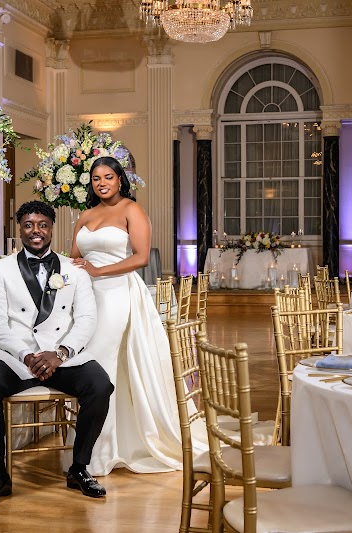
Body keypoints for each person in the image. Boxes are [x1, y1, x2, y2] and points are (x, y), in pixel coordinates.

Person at [0, 200, 114, 508]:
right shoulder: (0, 269)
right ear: (20, 229)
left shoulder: (74, 270)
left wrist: (60, 353)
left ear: (51, 229)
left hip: (62, 356)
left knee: (101, 385)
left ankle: (79, 468)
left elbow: (87, 319)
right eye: (29, 225)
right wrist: (26, 355)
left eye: (42, 225)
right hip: (16, 356)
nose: (36, 231)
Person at [70, 156, 200, 476]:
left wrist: (99, 270)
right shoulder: (85, 215)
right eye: (96, 178)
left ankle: (101, 449)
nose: (102, 183)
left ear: (120, 180)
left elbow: (141, 257)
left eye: (108, 177)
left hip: (117, 293)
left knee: (102, 362)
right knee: (90, 362)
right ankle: (93, 445)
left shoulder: (132, 210)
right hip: (87, 297)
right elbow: (74, 258)